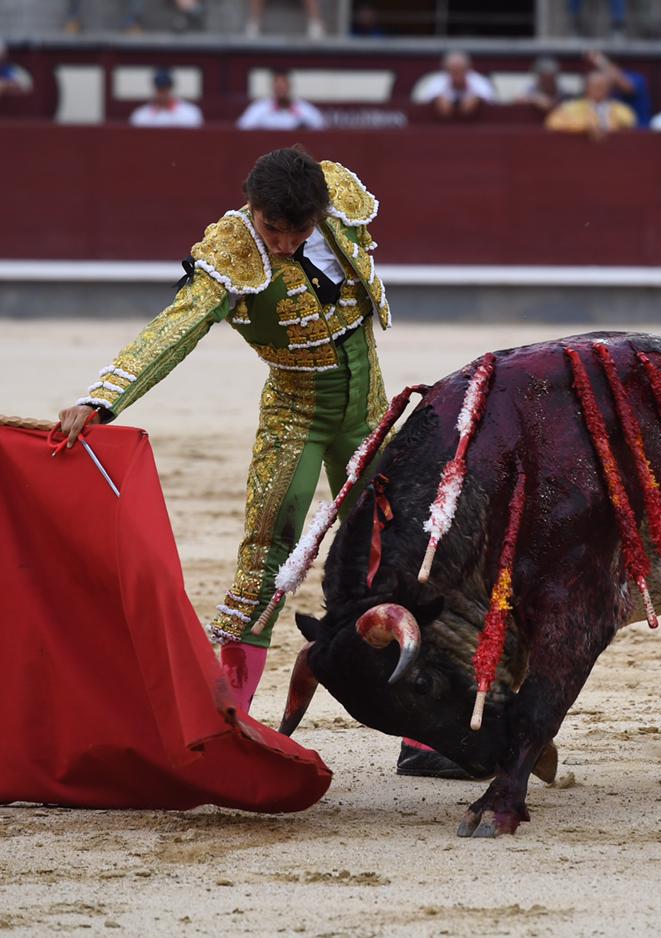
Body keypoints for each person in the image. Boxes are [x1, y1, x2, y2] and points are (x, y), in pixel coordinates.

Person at [55, 146, 465, 779]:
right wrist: (101, 398)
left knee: (403, 558)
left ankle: (428, 732)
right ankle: (228, 724)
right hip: (297, 418)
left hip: (371, 416)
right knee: (267, 558)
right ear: (253, 208)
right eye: (274, 228)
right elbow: (177, 326)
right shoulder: (231, 253)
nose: (284, 242)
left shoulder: (340, 206)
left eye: (299, 230)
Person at [546, 69, 638, 137]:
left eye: (602, 86)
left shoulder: (620, 109)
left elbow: (629, 123)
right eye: (595, 86)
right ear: (587, 88)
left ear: (609, 90)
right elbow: (553, 123)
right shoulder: (571, 107)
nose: (599, 90)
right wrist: (584, 127)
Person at [414, 50, 497, 120]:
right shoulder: (438, 81)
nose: (457, 75)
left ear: (468, 69)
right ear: (446, 70)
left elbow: (492, 101)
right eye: (453, 71)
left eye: (460, 70)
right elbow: (422, 103)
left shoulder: (479, 81)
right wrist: (436, 99)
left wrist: (478, 99)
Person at [236, 68, 325, 130]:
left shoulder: (304, 108)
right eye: (278, 86)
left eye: (284, 86)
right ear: (273, 87)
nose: (281, 89)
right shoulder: (260, 108)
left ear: (289, 86)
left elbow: (320, 126)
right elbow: (242, 127)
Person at [130, 67, 202, 127]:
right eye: (159, 89)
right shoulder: (141, 115)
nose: (162, 93)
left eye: (165, 88)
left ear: (171, 88)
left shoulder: (190, 113)